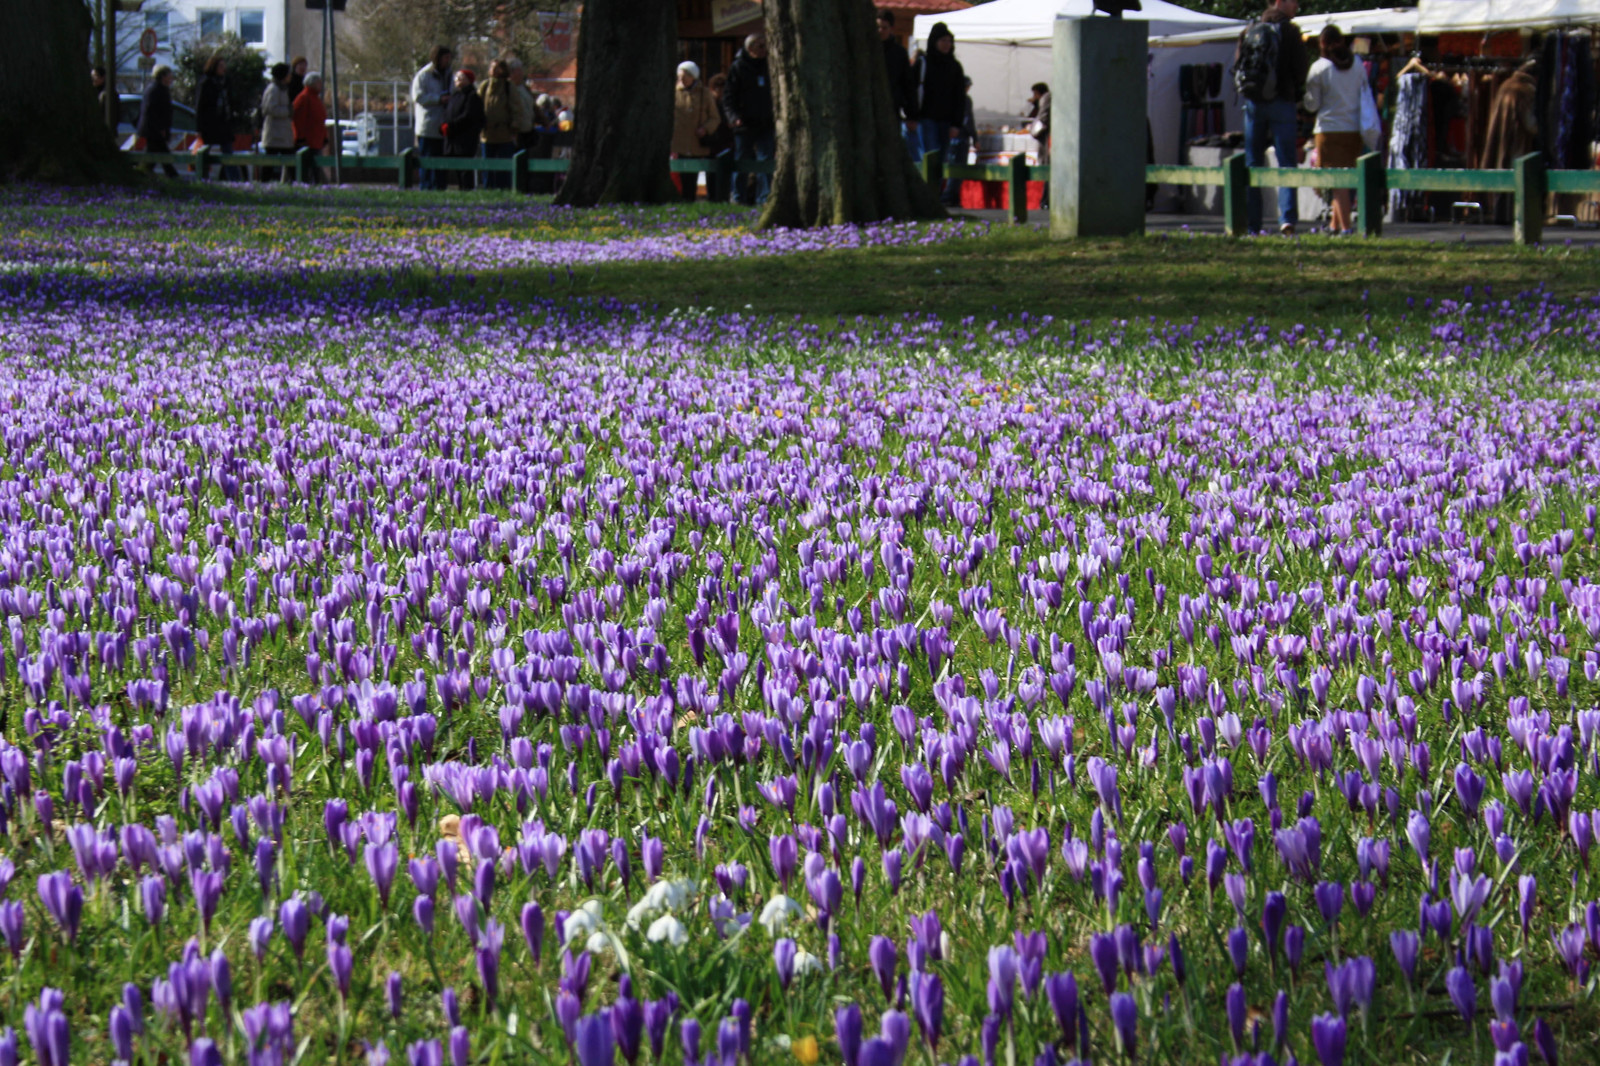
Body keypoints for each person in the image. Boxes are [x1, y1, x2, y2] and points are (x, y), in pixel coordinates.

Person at [1235, 0, 1308, 234]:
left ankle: (1252, 224)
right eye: (1293, 1)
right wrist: (1295, 92)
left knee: (1252, 163)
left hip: (1254, 103)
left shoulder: (1250, 29)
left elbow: (1238, 65)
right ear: (1280, 2)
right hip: (1282, 101)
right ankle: (1286, 219)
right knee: (1286, 161)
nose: (1297, 6)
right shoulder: (1290, 31)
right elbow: (1301, 68)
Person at [1301, 26, 1366, 234]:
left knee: (1338, 182)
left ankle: (1346, 228)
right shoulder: (1358, 64)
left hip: (1329, 129)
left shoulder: (1319, 68)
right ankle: (1334, 225)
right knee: (1344, 179)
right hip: (1354, 128)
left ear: (1322, 44)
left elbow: (1312, 104)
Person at [910, 22, 965, 199]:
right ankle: (926, 194)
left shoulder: (955, 67)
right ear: (934, 41)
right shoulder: (923, 63)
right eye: (943, 40)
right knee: (929, 156)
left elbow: (959, 98)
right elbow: (912, 89)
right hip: (926, 118)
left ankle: (935, 195)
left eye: (949, 41)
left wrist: (957, 124)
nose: (946, 44)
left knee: (942, 160)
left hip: (946, 120)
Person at [725, 34, 774, 206]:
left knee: (766, 162)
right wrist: (734, 117)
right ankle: (738, 197)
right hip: (744, 124)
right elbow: (729, 97)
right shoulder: (738, 67)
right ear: (750, 48)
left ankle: (764, 199)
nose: (764, 50)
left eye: (765, 46)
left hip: (766, 123)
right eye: (760, 46)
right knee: (742, 162)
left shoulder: (770, 66)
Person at [671, 61, 719, 203]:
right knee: (683, 178)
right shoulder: (673, 92)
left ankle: (698, 201)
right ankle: (684, 202)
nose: (681, 80)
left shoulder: (705, 94)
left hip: (698, 143)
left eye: (685, 77)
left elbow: (715, 118)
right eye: (679, 77)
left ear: (693, 77)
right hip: (679, 144)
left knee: (698, 176)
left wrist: (705, 129)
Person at [878, 10, 919, 160]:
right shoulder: (867, 52)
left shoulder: (899, 53)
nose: (880, 31)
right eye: (878, 27)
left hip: (891, 108)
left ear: (891, 29)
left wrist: (912, 114)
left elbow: (908, 85)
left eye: (884, 27)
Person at [412, 46, 454, 191]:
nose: (448, 61)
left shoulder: (449, 75)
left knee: (441, 162)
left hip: (443, 126)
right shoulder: (424, 75)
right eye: (445, 58)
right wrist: (438, 99)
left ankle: (440, 188)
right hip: (428, 126)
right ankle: (427, 187)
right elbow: (418, 96)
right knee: (428, 160)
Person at [442, 68, 484, 191]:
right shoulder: (455, 95)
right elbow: (447, 112)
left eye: (461, 78)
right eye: (457, 77)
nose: (457, 80)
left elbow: (468, 116)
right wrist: (444, 126)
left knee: (465, 169)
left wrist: (452, 126)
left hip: (465, 139)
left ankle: (467, 190)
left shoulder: (472, 97)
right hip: (452, 138)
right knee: (454, 168)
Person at [479, 59, 518, 190]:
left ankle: (504, 189)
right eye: (492, 67)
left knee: (504, 167)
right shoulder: (484, 86)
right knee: (487, 167)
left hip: (504, 133)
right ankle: (488, 189)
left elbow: (516, 108)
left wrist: (514, 126)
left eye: (497, 67)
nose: (494, 70)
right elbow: (478, 105)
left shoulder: (508, 87)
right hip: (487, 134)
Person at [196, 53, 234, 180]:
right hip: (210, 124)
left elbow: (229, 102)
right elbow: (200, 106)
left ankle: (235, 181)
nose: (224, 69)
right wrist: (199, 128)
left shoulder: (225, 82)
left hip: (223, 124)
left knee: (228, 154)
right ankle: (203, 178)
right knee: (206, 153)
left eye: (224, 66)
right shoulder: (206, 82)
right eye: (221, 66)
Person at [137, 65, 179, 177]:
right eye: (170, 76)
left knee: (153, 156)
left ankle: (143, 175)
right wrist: (161, 128)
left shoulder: (155, 89)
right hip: (155, 131)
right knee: (162, 156)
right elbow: (154, 112)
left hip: (153, 130)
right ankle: (174, 178)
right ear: (163, 76)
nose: (171, 79)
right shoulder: (157, 90)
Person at [259, 61, 296, 182]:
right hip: (274, 134)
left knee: (291, 161)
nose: (291, 76)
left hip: (283, 134)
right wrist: (288, 110)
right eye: (289, 74)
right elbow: (270, 108)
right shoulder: (273, 89)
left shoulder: (283, 89)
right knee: (270, 163)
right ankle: (262, 186)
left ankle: (296, 184)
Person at [943, 76, 976, 207]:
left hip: (951, 136)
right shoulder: (965, 100)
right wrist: (975, 137)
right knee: (958, 168)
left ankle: (952, 195)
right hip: (960, 137)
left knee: (953, 166)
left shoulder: (948, 98)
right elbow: (968, 120)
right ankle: (950, 195)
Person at [705, 73, 737, 202]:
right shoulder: (708, 105)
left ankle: (724, 198)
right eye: (717, 88)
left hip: (726, 145)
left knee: (725, 176)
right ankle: (711, 198)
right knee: (710, 175)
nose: (719, 92)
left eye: (722, 88)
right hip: (711, 144)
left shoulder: (729, 105)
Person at [293, 72, 328, 183]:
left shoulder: (315, 99)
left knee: (316, 169)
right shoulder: (304, 98)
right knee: (307, 171)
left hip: (316, 141)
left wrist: (324, 137)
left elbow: (321, 121)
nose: (321, 85)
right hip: (307, 142)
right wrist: (300, 137)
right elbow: (298, 119)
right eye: (319, 83)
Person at [508, 58, 538, 154]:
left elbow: (534, 106)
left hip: (528, 130)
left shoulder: (525, 88)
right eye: (519, 70)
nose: (522, 73)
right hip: (515, 133)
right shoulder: (507, 89)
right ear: (511, 73)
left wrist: (544, 121)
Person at [1028, 83, 1051, 207]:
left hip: (1047, 140)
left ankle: (1045, 201)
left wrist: (1033, 132)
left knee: (1047, 168)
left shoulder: (1046, 99)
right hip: (1047, 139)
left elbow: (1042, 118)